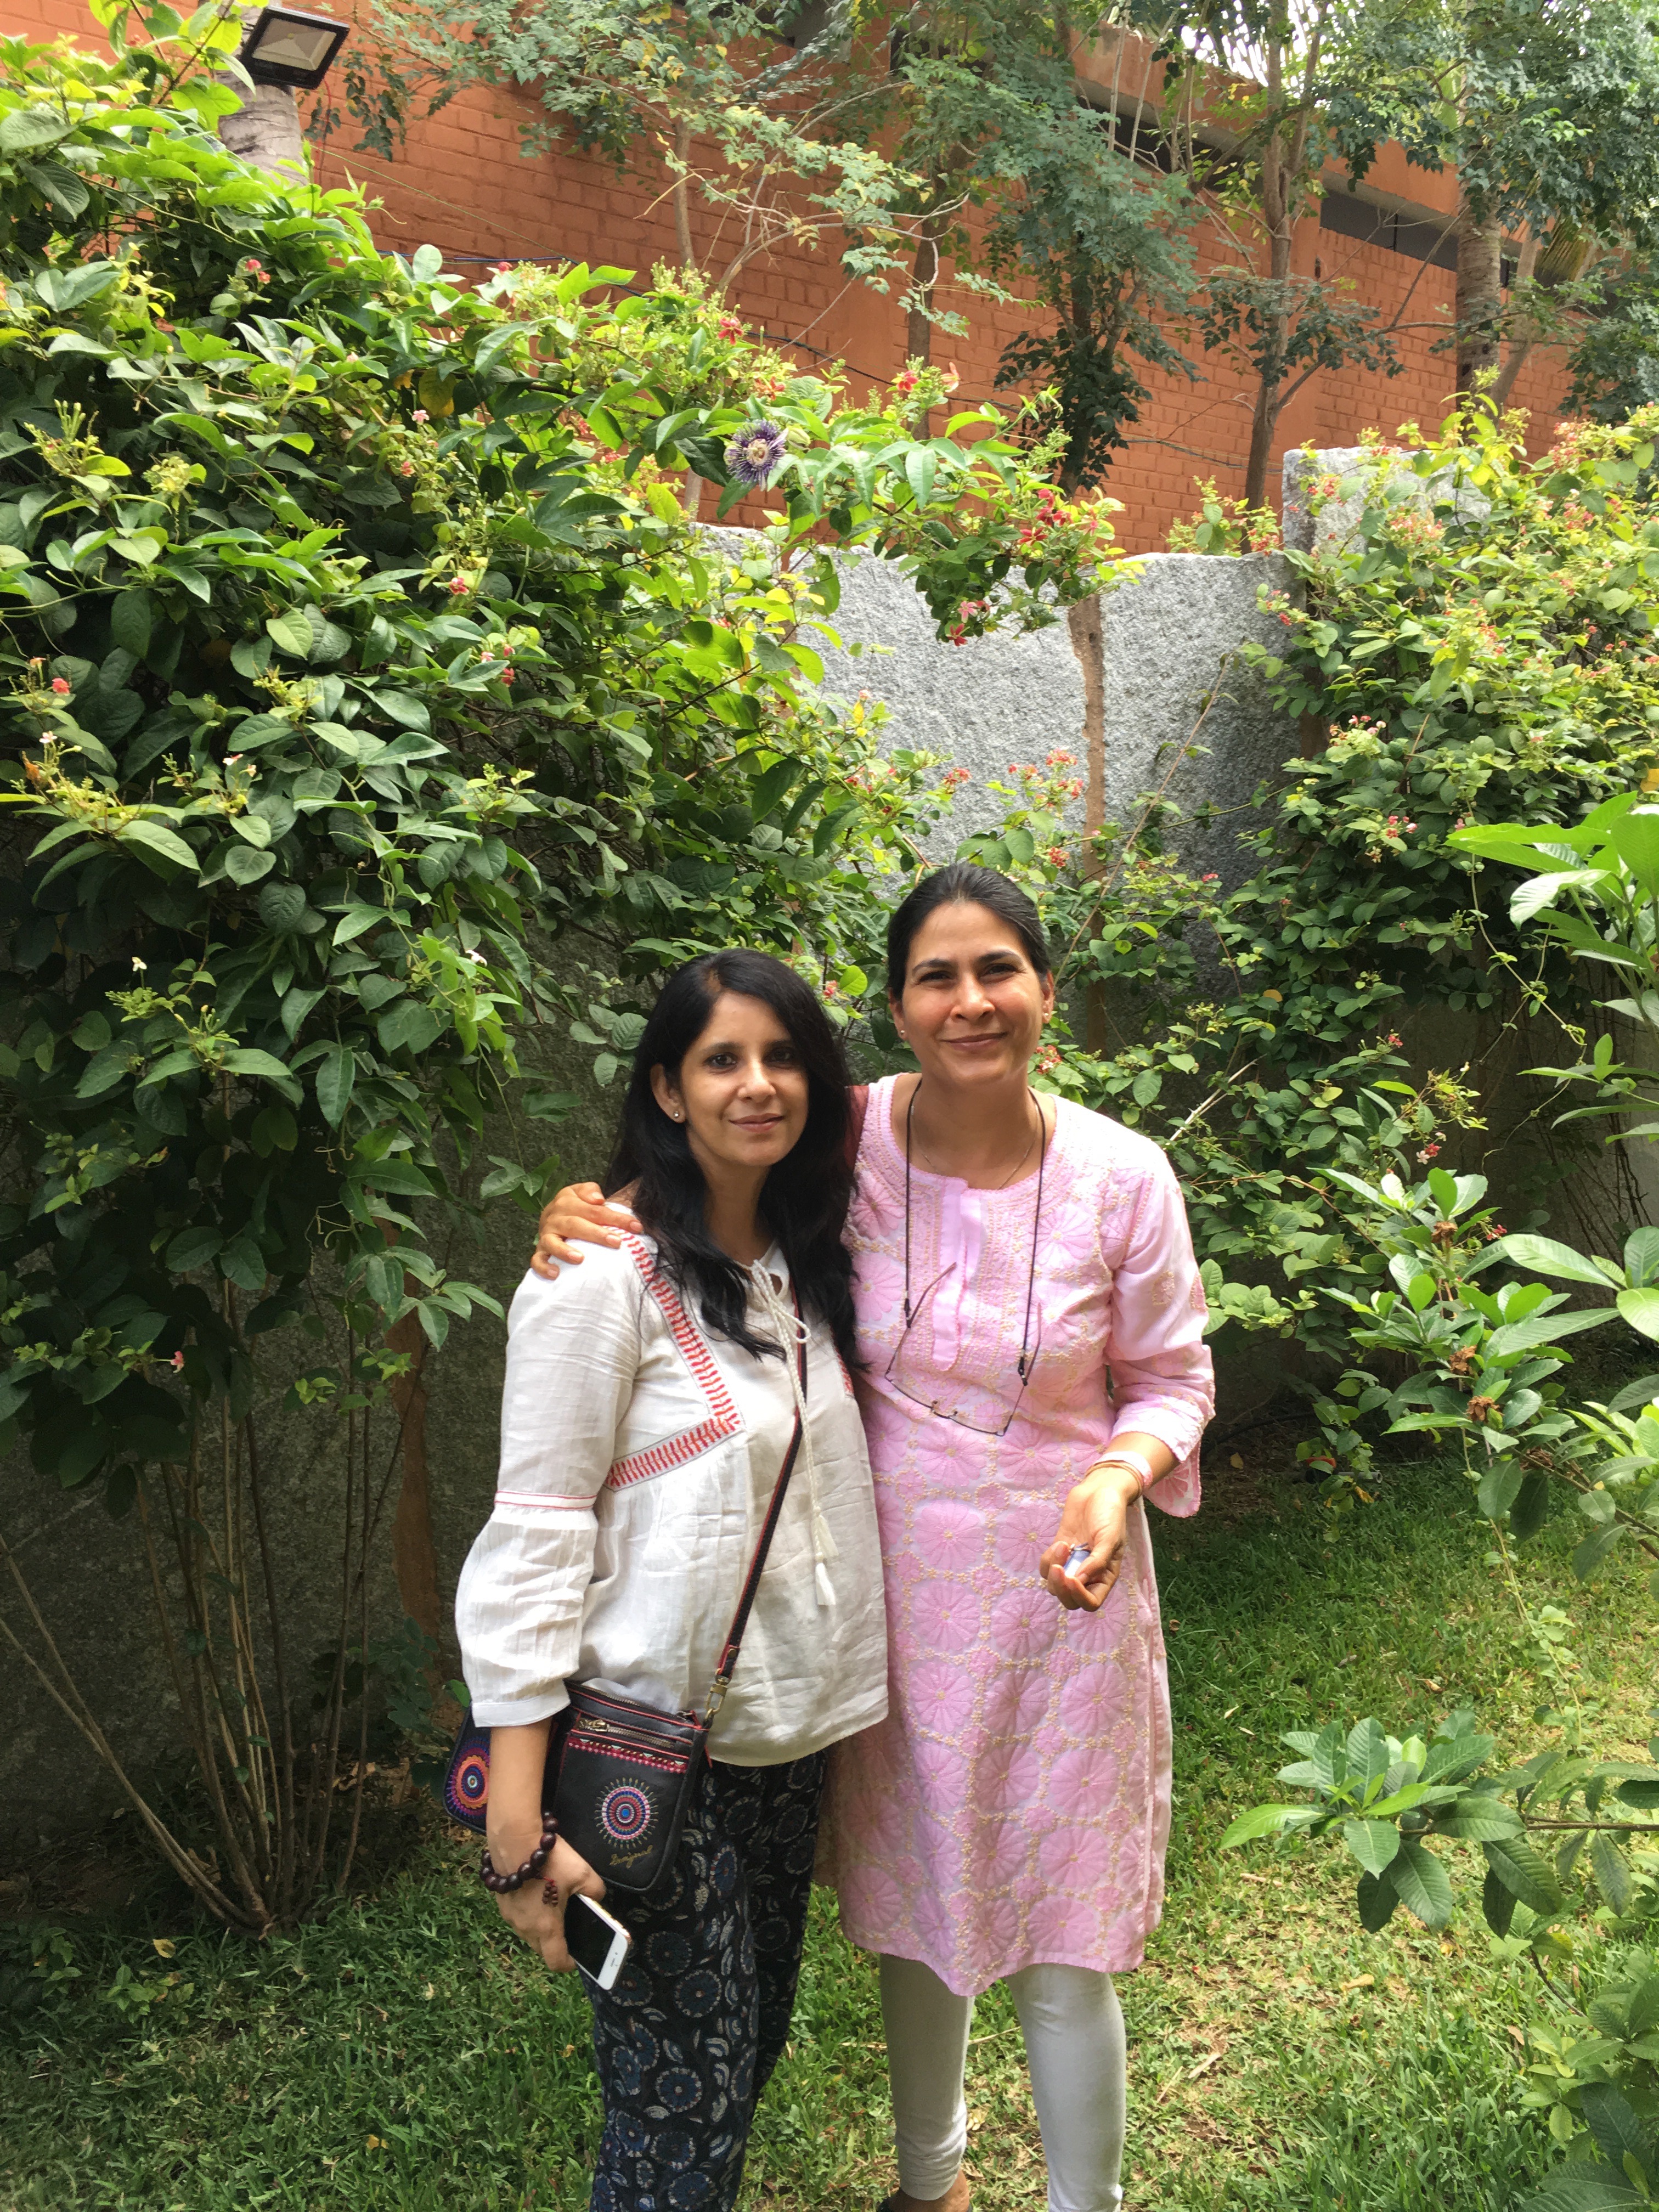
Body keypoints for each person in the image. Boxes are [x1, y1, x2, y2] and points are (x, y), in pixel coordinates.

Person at [533, 864, 1216, 2212]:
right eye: (936, 977)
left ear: (1046, 988)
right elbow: (695, 1183)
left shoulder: (1125, 1178)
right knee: (919, 1908)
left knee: (1062, 1939)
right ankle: (931, 2182)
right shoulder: (844, 1139)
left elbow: (1172, 1379)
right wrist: (579, 1208)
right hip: (887, 1600)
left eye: (998, 970)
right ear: (898, 1008)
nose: (972, 1002)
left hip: (1063, 1599)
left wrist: (1119, 1476)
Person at [458, 948, 888, 2212]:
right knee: (679, 2102)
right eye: (721, 1059)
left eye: (783, 1056)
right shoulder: (598, 1275)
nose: (758, 1084)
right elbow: (538, 1532)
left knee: (744, 2055)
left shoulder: (812, 1255)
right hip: (642, 1748)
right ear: (666, 1086)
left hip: (779, 1744)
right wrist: (513, 1824)